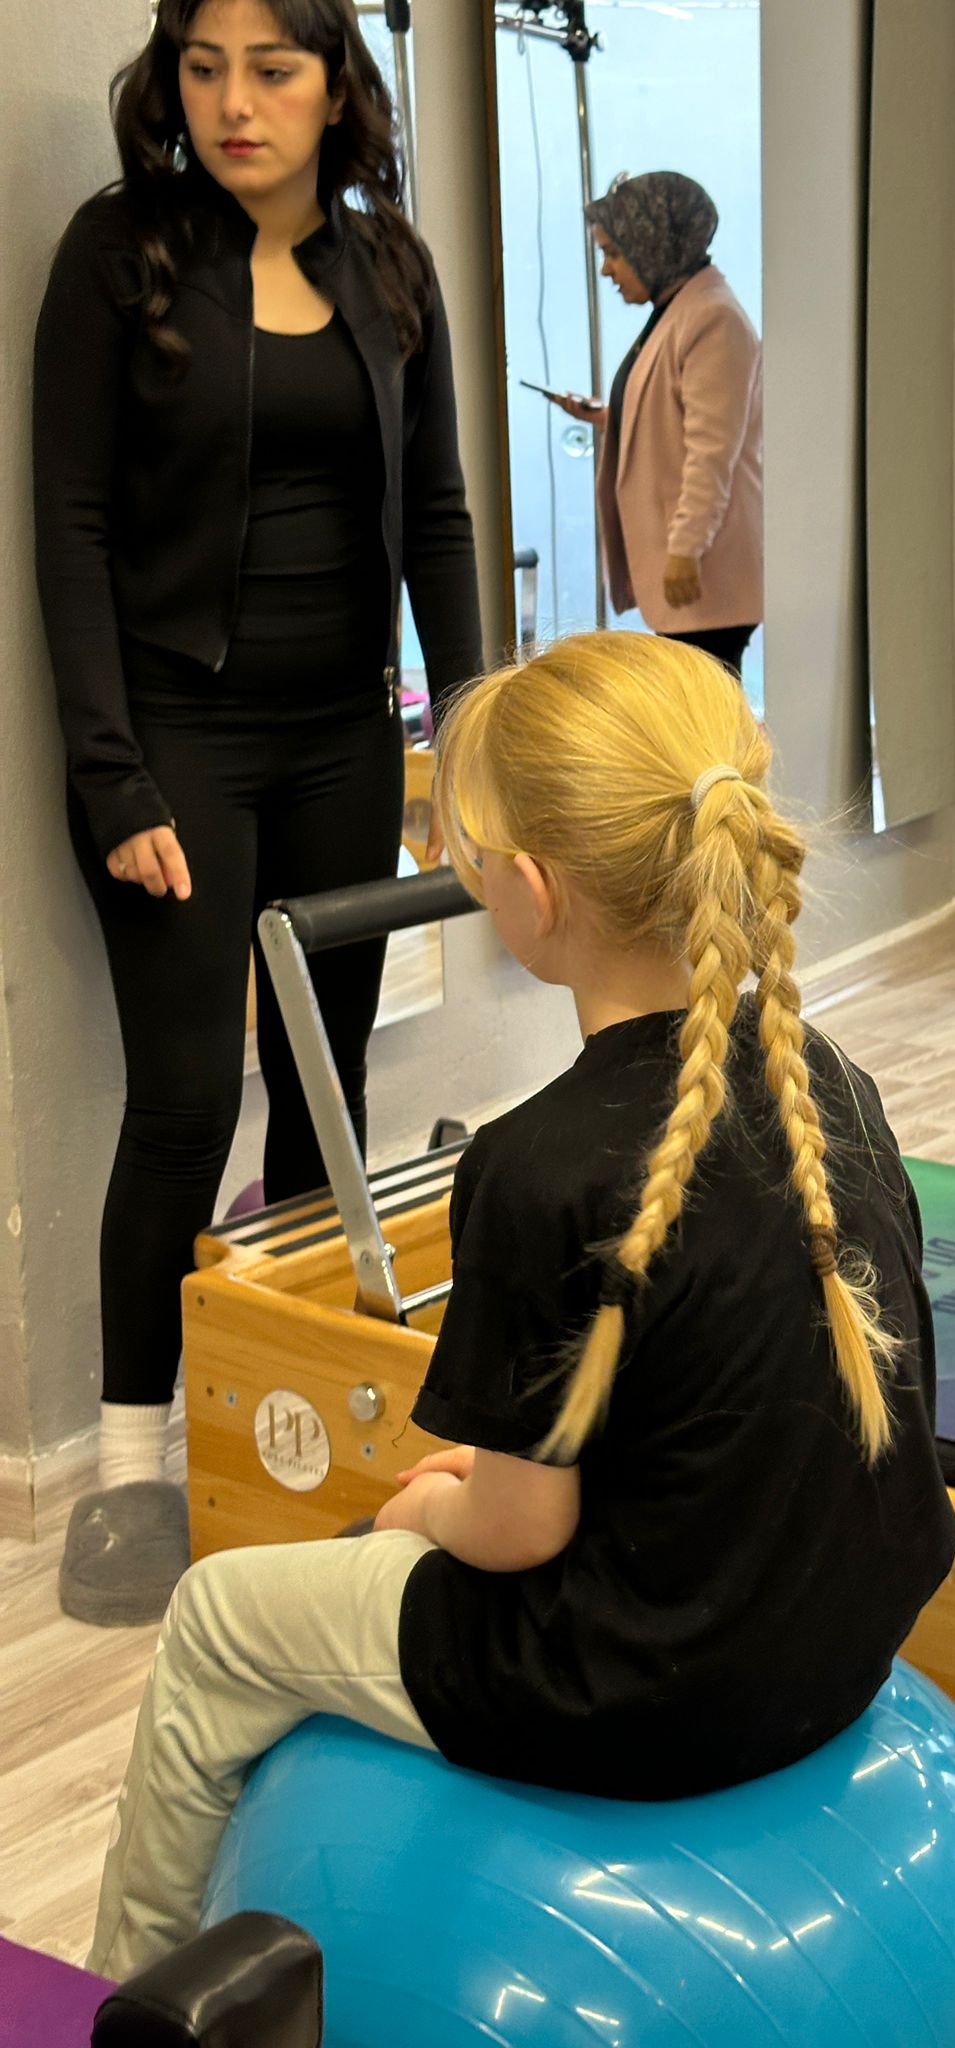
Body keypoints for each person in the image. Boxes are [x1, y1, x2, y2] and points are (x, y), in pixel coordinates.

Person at [86, 630, 955, 1979]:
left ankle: (118, 2000)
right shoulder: (825, 1080)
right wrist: (488, 1484)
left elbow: (517, 1529)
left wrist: (431, 1509)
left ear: (535, 894)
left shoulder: (535, 1165)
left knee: (213, 1618)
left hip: (644, 1689)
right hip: (845, 1642)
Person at [32, 0, 481, 1626]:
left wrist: (473, 743)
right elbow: (71, 524)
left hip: (343, 739)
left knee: (321, 1086)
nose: (235, 101)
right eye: (205, 66)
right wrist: (112, 773)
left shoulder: (390, 268)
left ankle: (289, 1429)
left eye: (273, 69)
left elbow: (438, 518)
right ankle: (131, 1467)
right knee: (176, 1107)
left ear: (332, 85)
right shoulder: (121, 256)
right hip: (179, 742)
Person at [545, 172, 763, 677]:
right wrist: (608, 416)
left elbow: (712, 452)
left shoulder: (712, 318)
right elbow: (677, 413)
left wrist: (685, 549)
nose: (606, 270)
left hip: (706, 576)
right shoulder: (680, 309)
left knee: (701, 710)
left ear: (652, 245)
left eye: (613, 253)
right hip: (692, 576)